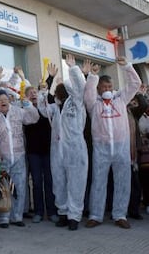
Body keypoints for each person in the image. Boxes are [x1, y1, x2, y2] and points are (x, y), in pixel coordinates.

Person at [84, 56, 141, 229]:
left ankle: (120, 214)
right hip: (101, 147)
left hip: (121, 146)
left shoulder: (121, 99)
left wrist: (127, 67)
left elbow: (135, 84)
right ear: (99, 89)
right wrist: (93, 77)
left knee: (123, 180)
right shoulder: (94, 104)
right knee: (98, 181)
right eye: (104, 87)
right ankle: (96, 215)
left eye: (109, 86)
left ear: (113, 87)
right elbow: (87, 94)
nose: (107, 89)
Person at [37, 54, 88, 231]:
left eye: (64, 90)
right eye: (59, 91)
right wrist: (47, 82)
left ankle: (75, 216)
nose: (61, 94)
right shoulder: (53, 108)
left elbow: (81, 87)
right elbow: (42, 105)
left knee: (76, 183)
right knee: (59, 182)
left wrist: (72, 68)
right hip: (57, 150)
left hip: (75, 149)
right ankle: (64, 213)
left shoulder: (77, 104)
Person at [0, 88, 39, 228]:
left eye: (5, 99)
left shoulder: (17, 111)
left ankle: (17, 216)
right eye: (0, 101)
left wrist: (28, 104)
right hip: (2, 157)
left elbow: (34, 118)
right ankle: (3, 217)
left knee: (19, 186)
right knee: (3, 188)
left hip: (18, 155)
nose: (3, 102)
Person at [24, 62, 58, 225]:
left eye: (35, 92)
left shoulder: (48, 107)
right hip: (33, 152)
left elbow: (47, 92)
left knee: (50, 181)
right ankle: (38, 211)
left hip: (48, 150)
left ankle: (51, 211)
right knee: (37, 182)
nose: (33, 94)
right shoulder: (25, 111)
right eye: (30, 93)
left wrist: (50, 78)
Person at [126, 89, 147, 219]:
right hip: (120, 152)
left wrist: (138, 94)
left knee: (135, 183)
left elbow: (143, 105)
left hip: (133, 153)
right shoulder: (118, 111)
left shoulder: (132, 113)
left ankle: (134, 210)